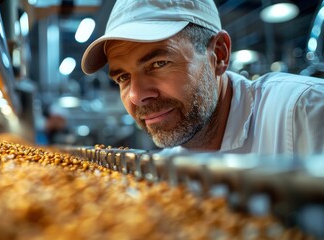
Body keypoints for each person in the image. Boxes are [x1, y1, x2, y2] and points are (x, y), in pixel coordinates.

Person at [81, 0, 324, 157]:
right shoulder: (169, 165)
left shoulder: (306, 112)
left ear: (218, 54)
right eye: (123, 77)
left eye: (159, 63)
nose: (136, 96)